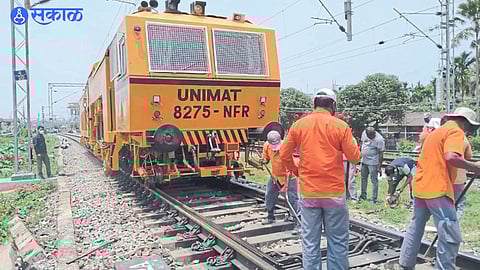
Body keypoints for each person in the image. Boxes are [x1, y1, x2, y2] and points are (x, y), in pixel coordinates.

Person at [280, 88, 361, 270]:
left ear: (314, 104)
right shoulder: (341, 126)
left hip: (309, 192)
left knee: (310, 241)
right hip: (334, 193)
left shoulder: (299, 125)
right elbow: (355, 157)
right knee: (338, 240)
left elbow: (284, 154)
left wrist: (297, 170)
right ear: (333, 105)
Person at [399, 107, 480, 270]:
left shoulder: (435, 133)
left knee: (416, 225)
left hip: (421, 187)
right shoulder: (456, 132)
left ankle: (405, 264)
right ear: (464, 122)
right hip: (438, 189)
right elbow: (452, 156)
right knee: (450, 233)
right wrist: (474, 166)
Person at [260, 130, 301, 234]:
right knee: (269, 194)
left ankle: (298, 222)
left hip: (289, 176)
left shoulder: (286, 149)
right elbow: (267, 158)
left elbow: (289, 170)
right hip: (275, 176)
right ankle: (270, 216)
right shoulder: (266, 146)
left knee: (293, 199)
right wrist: (264, 161)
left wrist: (285, 187)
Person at [359, 127, 385, 204]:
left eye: (372, 135)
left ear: (374, 133)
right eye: (369, 136)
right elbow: (362, 143)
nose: (370, 137)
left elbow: (381, 153)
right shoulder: (364, 133)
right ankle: (363, 195)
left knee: (374, 181)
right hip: (364, 160)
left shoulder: (380, 139)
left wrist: (379, 166)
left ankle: (374, 198)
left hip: (373, 162)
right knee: (363, 178)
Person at [454, 134, 473, 220]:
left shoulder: (442, 137)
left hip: (444, 178)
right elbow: (469, 156)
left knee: (446, 205)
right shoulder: (463, 138)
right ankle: (453, 228)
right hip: (458, 178)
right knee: (460, 204)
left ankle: (445, 227)